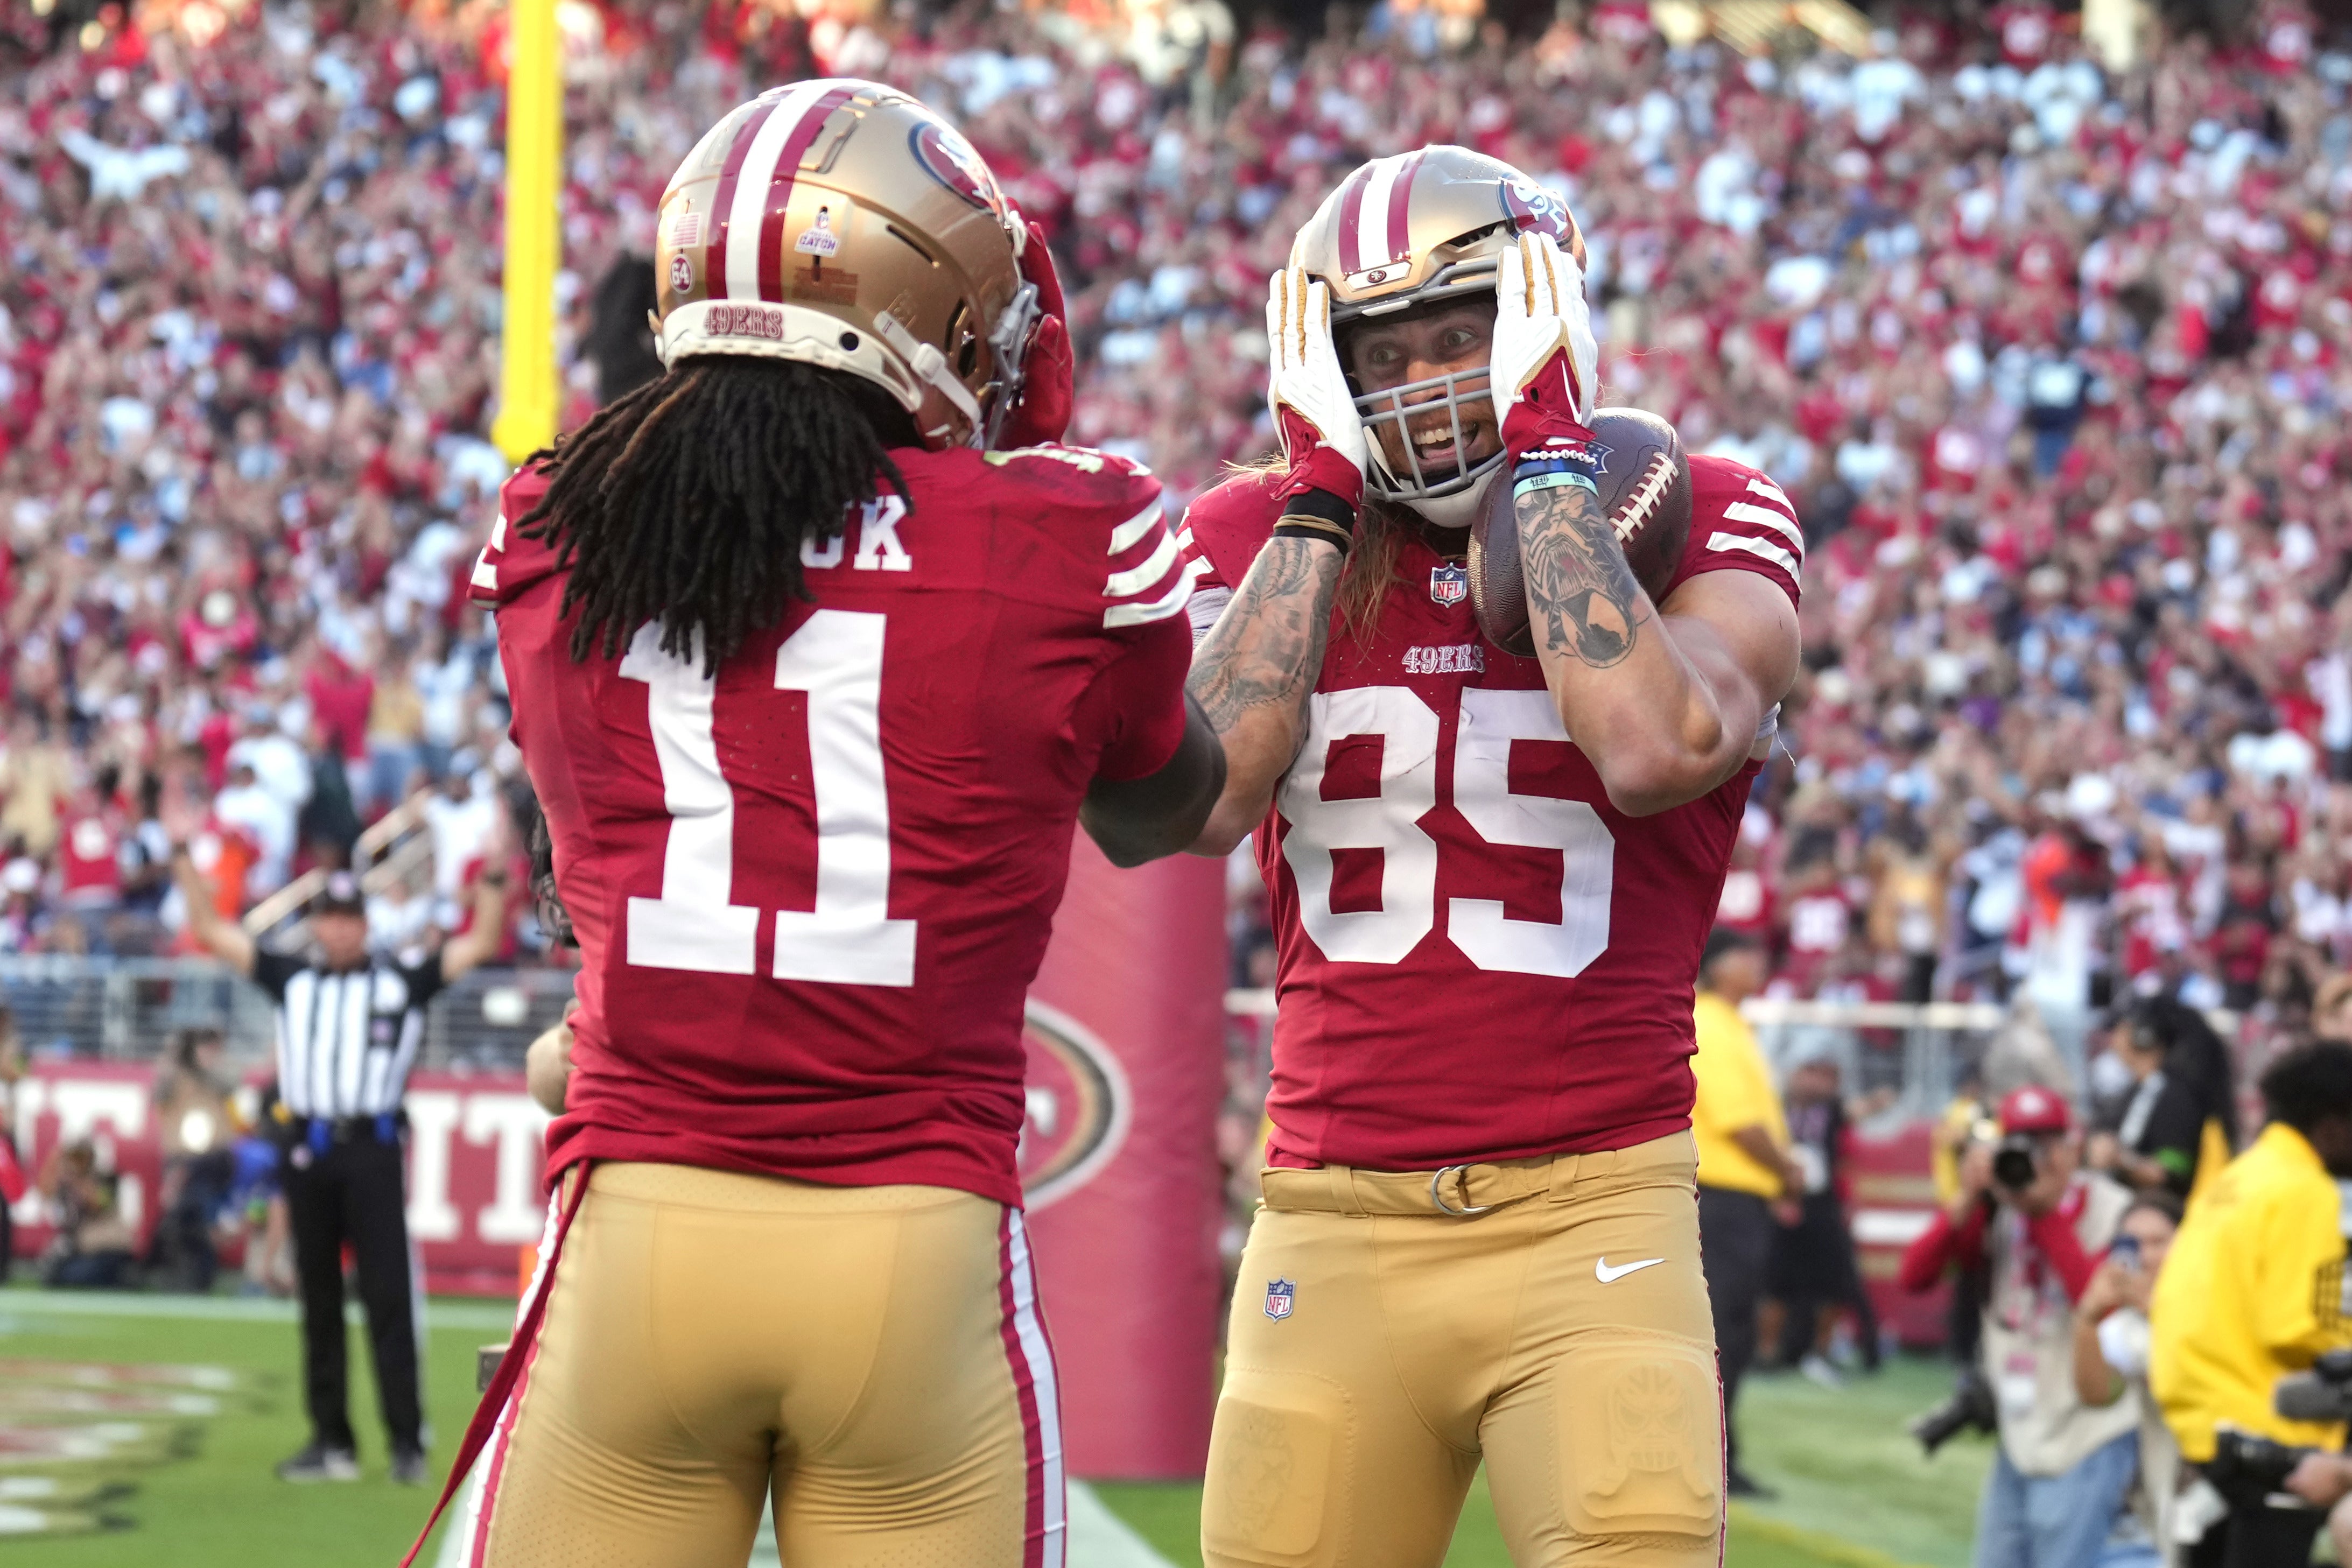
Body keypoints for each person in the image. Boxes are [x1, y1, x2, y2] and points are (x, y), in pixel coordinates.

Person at [411, 80, 1222, 1568]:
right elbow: (1171, 801)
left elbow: (584, 839)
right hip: (910, 1251)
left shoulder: (552, 526)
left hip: (635, 1227)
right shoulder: (1072, 530)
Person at [1178, 145, 1803, 1566]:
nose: (1426, 384)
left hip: (1594, 1210)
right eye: (1381, 356)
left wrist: (1556, 467)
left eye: (1464, 334)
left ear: (1545, 315)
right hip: (1332, 1214)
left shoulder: (1705, 507)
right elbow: (1201, 802)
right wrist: (1321, 500)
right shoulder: (1258, 534)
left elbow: (1650, 746)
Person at [170, 854, 509, 1486]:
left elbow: (482, 943)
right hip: (309, 1148)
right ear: (319, 926)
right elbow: (212, 933)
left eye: (350, 919)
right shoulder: (292, 979)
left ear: (364, 924)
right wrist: (186, 863)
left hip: (371, 1149)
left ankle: (406, 1441)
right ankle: (332, 1441)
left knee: (388, 1296)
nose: (341, 931)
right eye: (330, 919)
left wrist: (491, 882)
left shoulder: (399, 981)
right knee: (318, 1298)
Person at [1898, 1086, 2140, 1568]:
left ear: (2074, 1145)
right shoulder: (1998, 1209)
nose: (2032, 1158)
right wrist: (1967, 1197)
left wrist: (2043, 1212)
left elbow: (2099, 1304)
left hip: (2085, 1430)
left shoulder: (2115, 1208)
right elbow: (1915, 1277)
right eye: (2019, 1143)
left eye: (2045, 1143)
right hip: (2019, 1428)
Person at [2150, 1042, 2352, 1567]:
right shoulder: (2305, 1191)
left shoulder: (2238, 1177)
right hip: (2270, 1433)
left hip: (2204, 1422)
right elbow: (2296, 1326)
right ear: (2333, 1124)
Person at [1691, 926, 1807, 1494]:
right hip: (1722, 1198)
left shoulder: (1733, 1025)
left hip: (1739, 1199)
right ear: (1715, 966)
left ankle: (1716, 1456)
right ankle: (1708, 1460)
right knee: (1721, 1332)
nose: (1757, 960)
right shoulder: (1711, 1023)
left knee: (1730, 1332)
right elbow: (1740, 1123)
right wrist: (1786, 1169)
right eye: (1743, 953)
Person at [2069, 1191, 2184, 1568]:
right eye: (2132, 1243)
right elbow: (2097, 1392)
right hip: (2167, 1506)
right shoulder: (2129, 1322)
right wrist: (2087, 1319)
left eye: (2159, 1242)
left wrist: (2158, 1312)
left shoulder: (2214, 1302)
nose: (2146, 1255)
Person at [1771, 1044, 1885, 1383]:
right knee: (1777, 1282)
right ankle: (1773, 1352)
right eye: (1811, 1073)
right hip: (1783, 1201)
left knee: (1836, 1281)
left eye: (1826, 1076)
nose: (1817, 1083)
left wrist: (1878, 1102)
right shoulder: (1776, 1108)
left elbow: (1860, 1112)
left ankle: (1822, 1351)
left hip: (1824, 1205)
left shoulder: (1833, 1110)